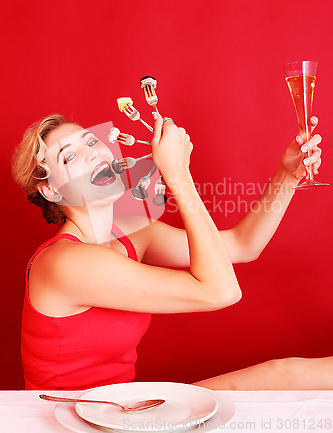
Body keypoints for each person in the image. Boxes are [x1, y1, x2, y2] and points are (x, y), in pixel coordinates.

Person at [12, 112, 332, 391]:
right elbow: (221, 291)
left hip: (118, 408)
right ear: (50, 190)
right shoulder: (65, 262)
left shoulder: (134, 233)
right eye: (69, 157)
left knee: (286, 374)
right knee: (286, 374)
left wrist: (287, 175)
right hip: (65, 422)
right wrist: (179, 174)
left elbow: (243, 244)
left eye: (92, 142)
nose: (92, 154)